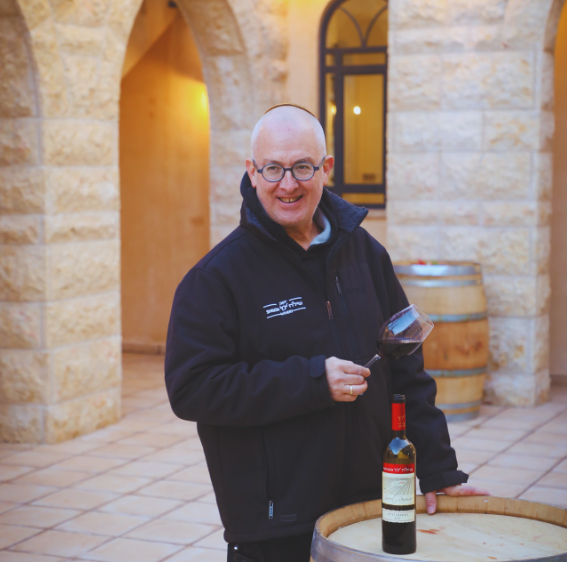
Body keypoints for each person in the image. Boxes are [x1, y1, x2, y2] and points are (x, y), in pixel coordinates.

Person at [164, 105, 488, 562]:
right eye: (273, 168)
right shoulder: (216, 278)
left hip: (367, 511)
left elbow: (406, 366)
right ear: (251, 172)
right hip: (275, 528)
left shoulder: (367, 255)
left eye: (302, 167)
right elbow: (192, 389)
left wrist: (439, 469)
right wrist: (314, 381)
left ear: (326, 168)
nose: (288, 183)